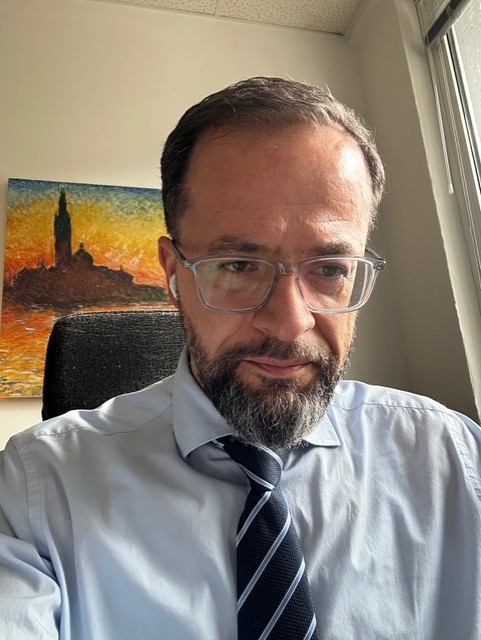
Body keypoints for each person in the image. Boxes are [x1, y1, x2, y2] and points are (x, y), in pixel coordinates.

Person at [1, 76, 480, 640]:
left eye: (330, 268)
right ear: (173, 274)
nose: (291, 321)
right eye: (237, 265)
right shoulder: (37, 490)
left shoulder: (454, 459)